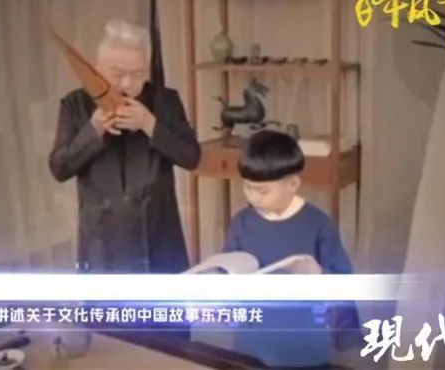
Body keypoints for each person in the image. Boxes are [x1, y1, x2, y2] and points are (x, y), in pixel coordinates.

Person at [49, 19, 200, 274]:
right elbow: (59, 168)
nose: (128, 84)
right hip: (102, 238)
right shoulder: (74, 104)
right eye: (118, 74)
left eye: (138, 74)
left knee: (163, 299)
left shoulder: (165, 100)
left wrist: (150, 124)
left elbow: (192, 157)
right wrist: (93, 130)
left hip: (158, 234)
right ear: (97, 68)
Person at [223, 130, 361, 368]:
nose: (254, 197)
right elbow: (226, 270)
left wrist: (318, 275)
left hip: (305, 346)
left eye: (263, 191)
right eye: (247, 187)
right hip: (251, 342)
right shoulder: (241, 222)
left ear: (293, 184)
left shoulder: (318, 224)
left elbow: (344, 282)